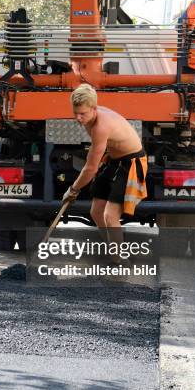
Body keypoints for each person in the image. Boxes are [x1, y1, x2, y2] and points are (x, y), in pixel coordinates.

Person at [62, 84, 147, 264]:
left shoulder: (101, 126)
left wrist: (73, 190)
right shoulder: (89, 118)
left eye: (82, 114)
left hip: (131, 163)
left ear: (93, 109)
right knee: (96, 211)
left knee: (110, 216)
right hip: (114, 160)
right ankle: (113, 250)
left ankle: (120, 261)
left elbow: (90, 168)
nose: (78, 118)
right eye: (75, 113)